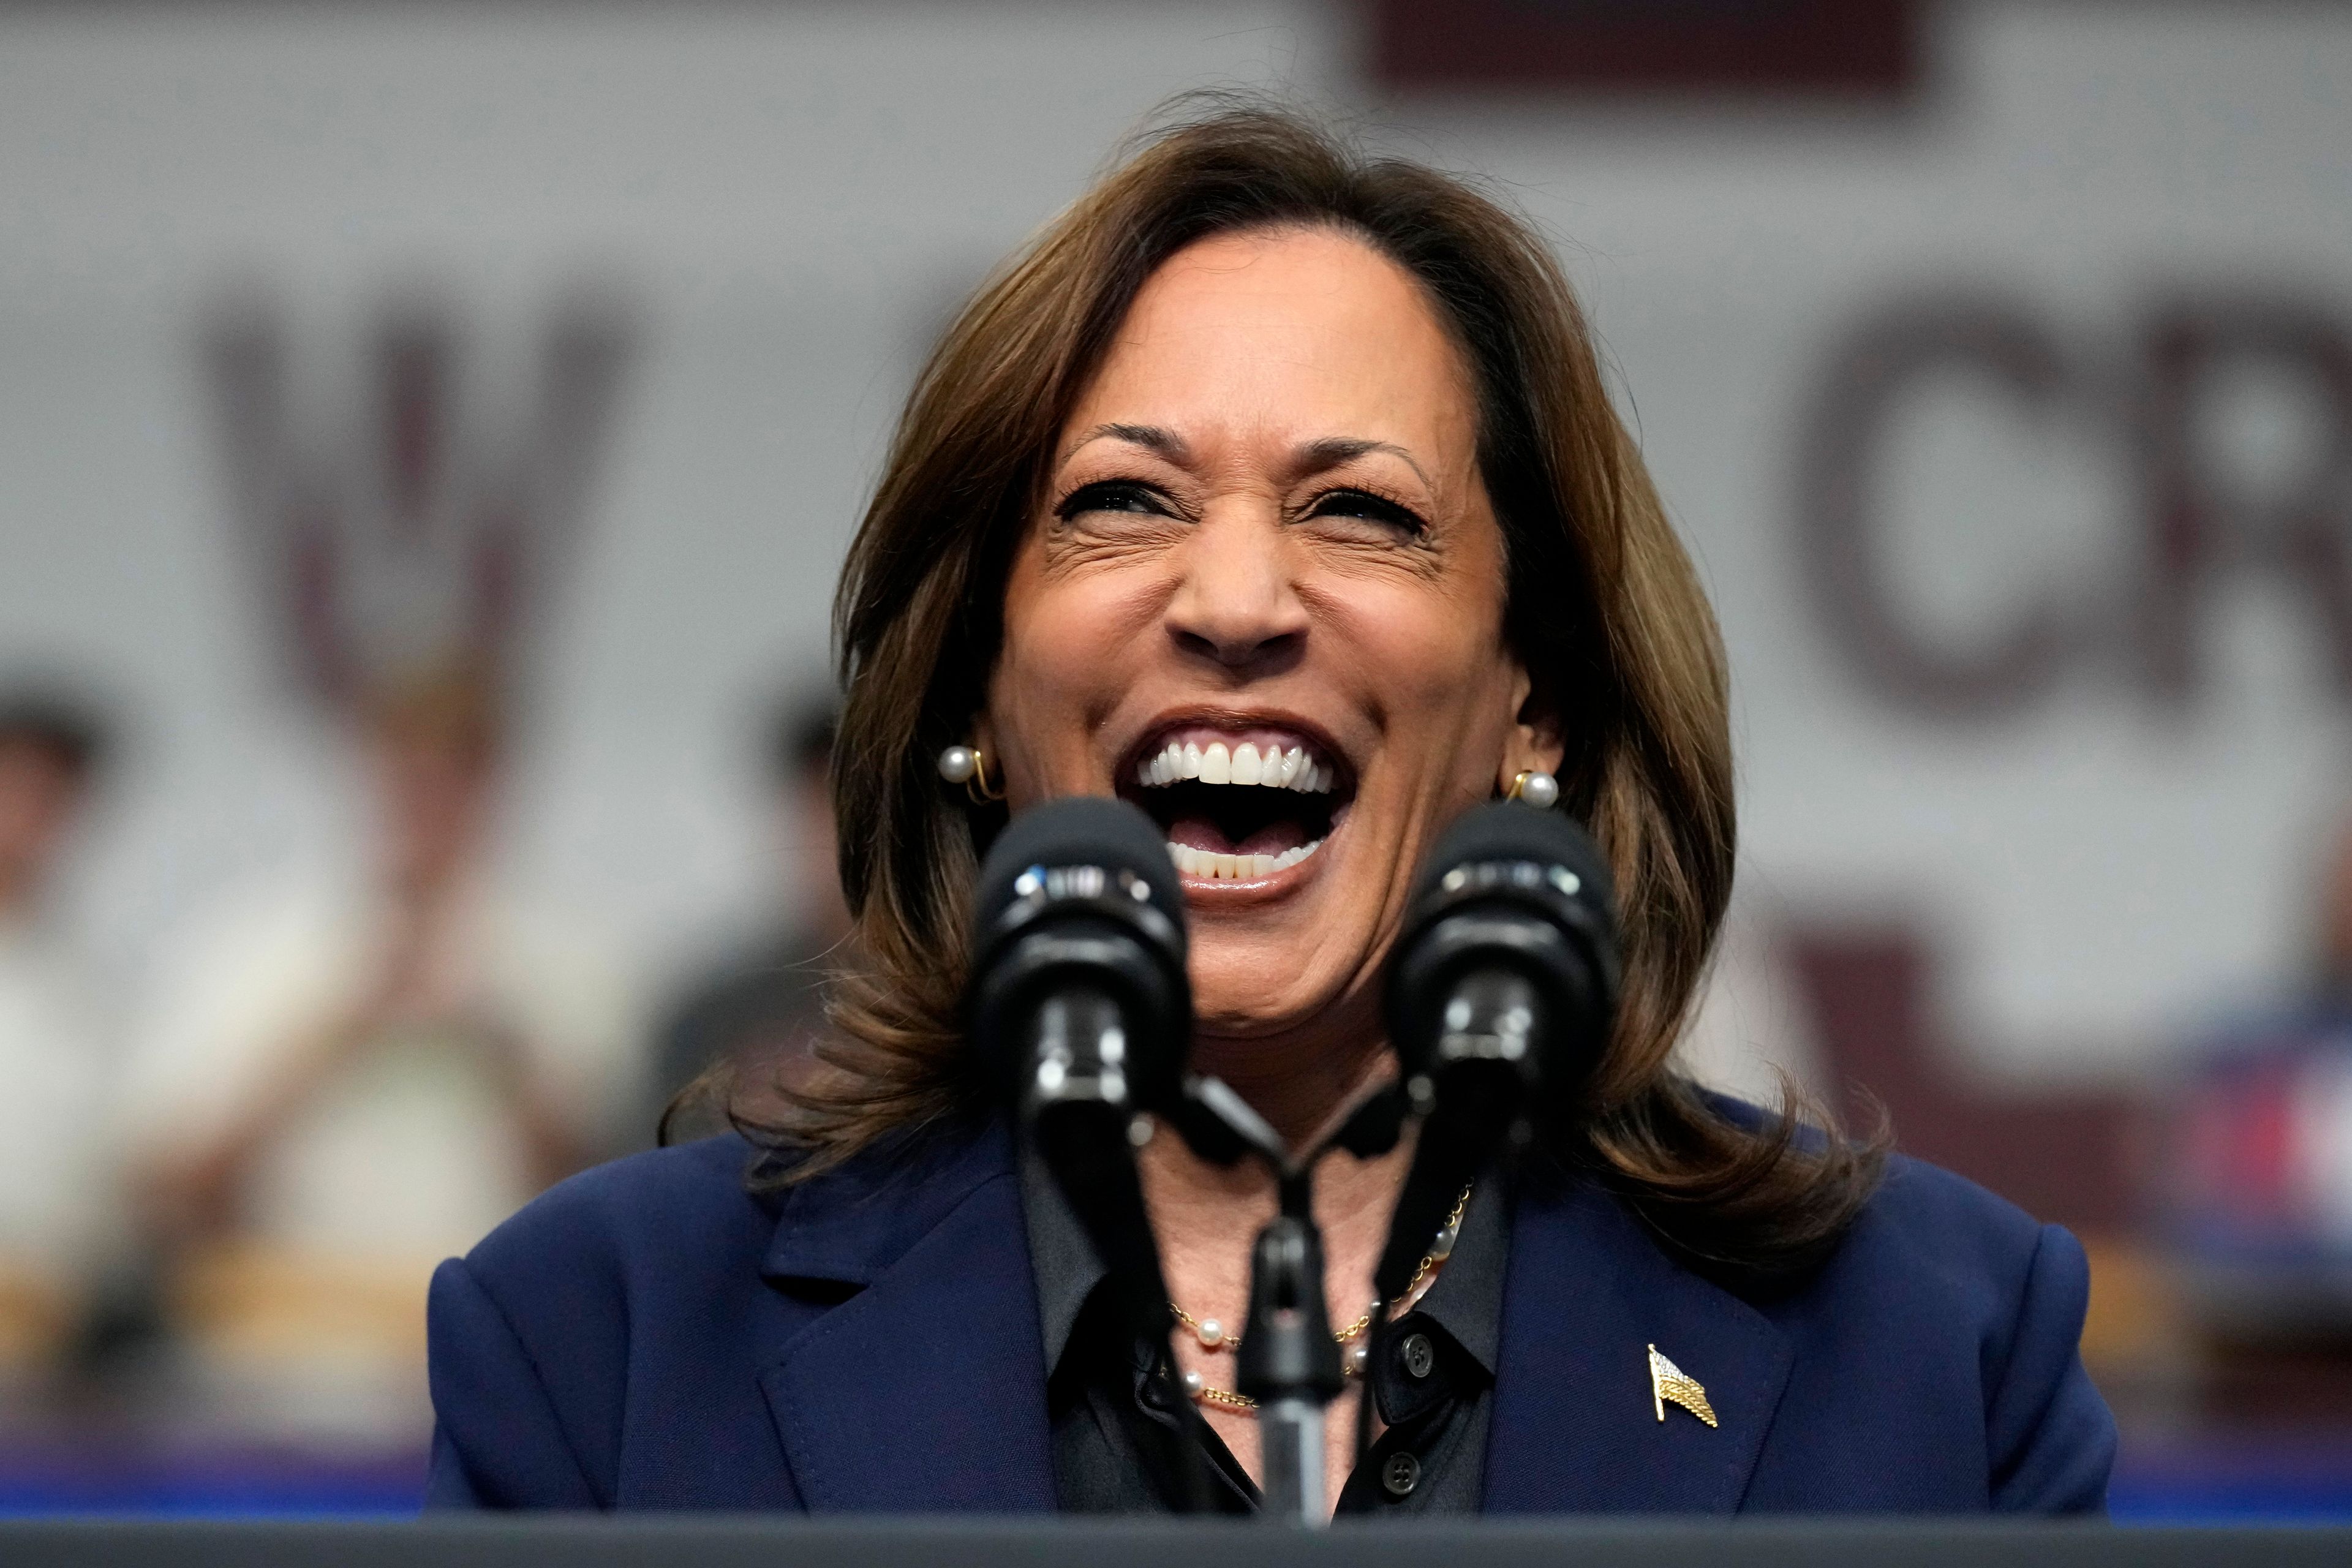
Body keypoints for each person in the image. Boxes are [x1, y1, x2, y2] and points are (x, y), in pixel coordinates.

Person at [424, 105, 2116, 1515]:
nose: (1237, 597)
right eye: (1122, 502)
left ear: (1538, 697)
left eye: (1362, 512)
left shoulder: (1938, 1352)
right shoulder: (604, 1343)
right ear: (977, 702)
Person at [121, 663, 639, 1424]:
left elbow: (614, 1205)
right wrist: (330, 1038)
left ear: (496, 784)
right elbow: (165, 1196)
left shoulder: (571, 963)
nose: (427, 800)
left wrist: (502, 1053)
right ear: (366, 772)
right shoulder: (251, 948)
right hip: (273, 1382)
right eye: (407, 771)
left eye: (455, 774)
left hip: (498, 1377)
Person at [647, 695, 850, 1138]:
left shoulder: (957, 1000)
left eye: (860, 807)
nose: (841, 839)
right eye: (820, 808)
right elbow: (650, 1167)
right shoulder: (714, 1017)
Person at [0, 692, 118, 1374]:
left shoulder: (89, 988)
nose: (31, 814)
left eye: (55, 793)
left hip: (50, 1341)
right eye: (17, 784)